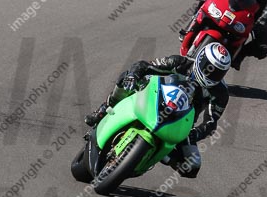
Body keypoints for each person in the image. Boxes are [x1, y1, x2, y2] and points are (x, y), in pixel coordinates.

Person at [84, 42, 232, 178]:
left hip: (181, 123)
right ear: (200, 59)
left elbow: (211, 122)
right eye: (208, 67)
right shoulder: (180, 63)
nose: (211, 74)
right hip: (154, 98)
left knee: (192, 166)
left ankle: (161, 155)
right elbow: (145, 65)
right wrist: (133, 76)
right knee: (125, 80)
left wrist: (195, 134)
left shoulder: (220, 94)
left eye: (218, 73)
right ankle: (102, 111)